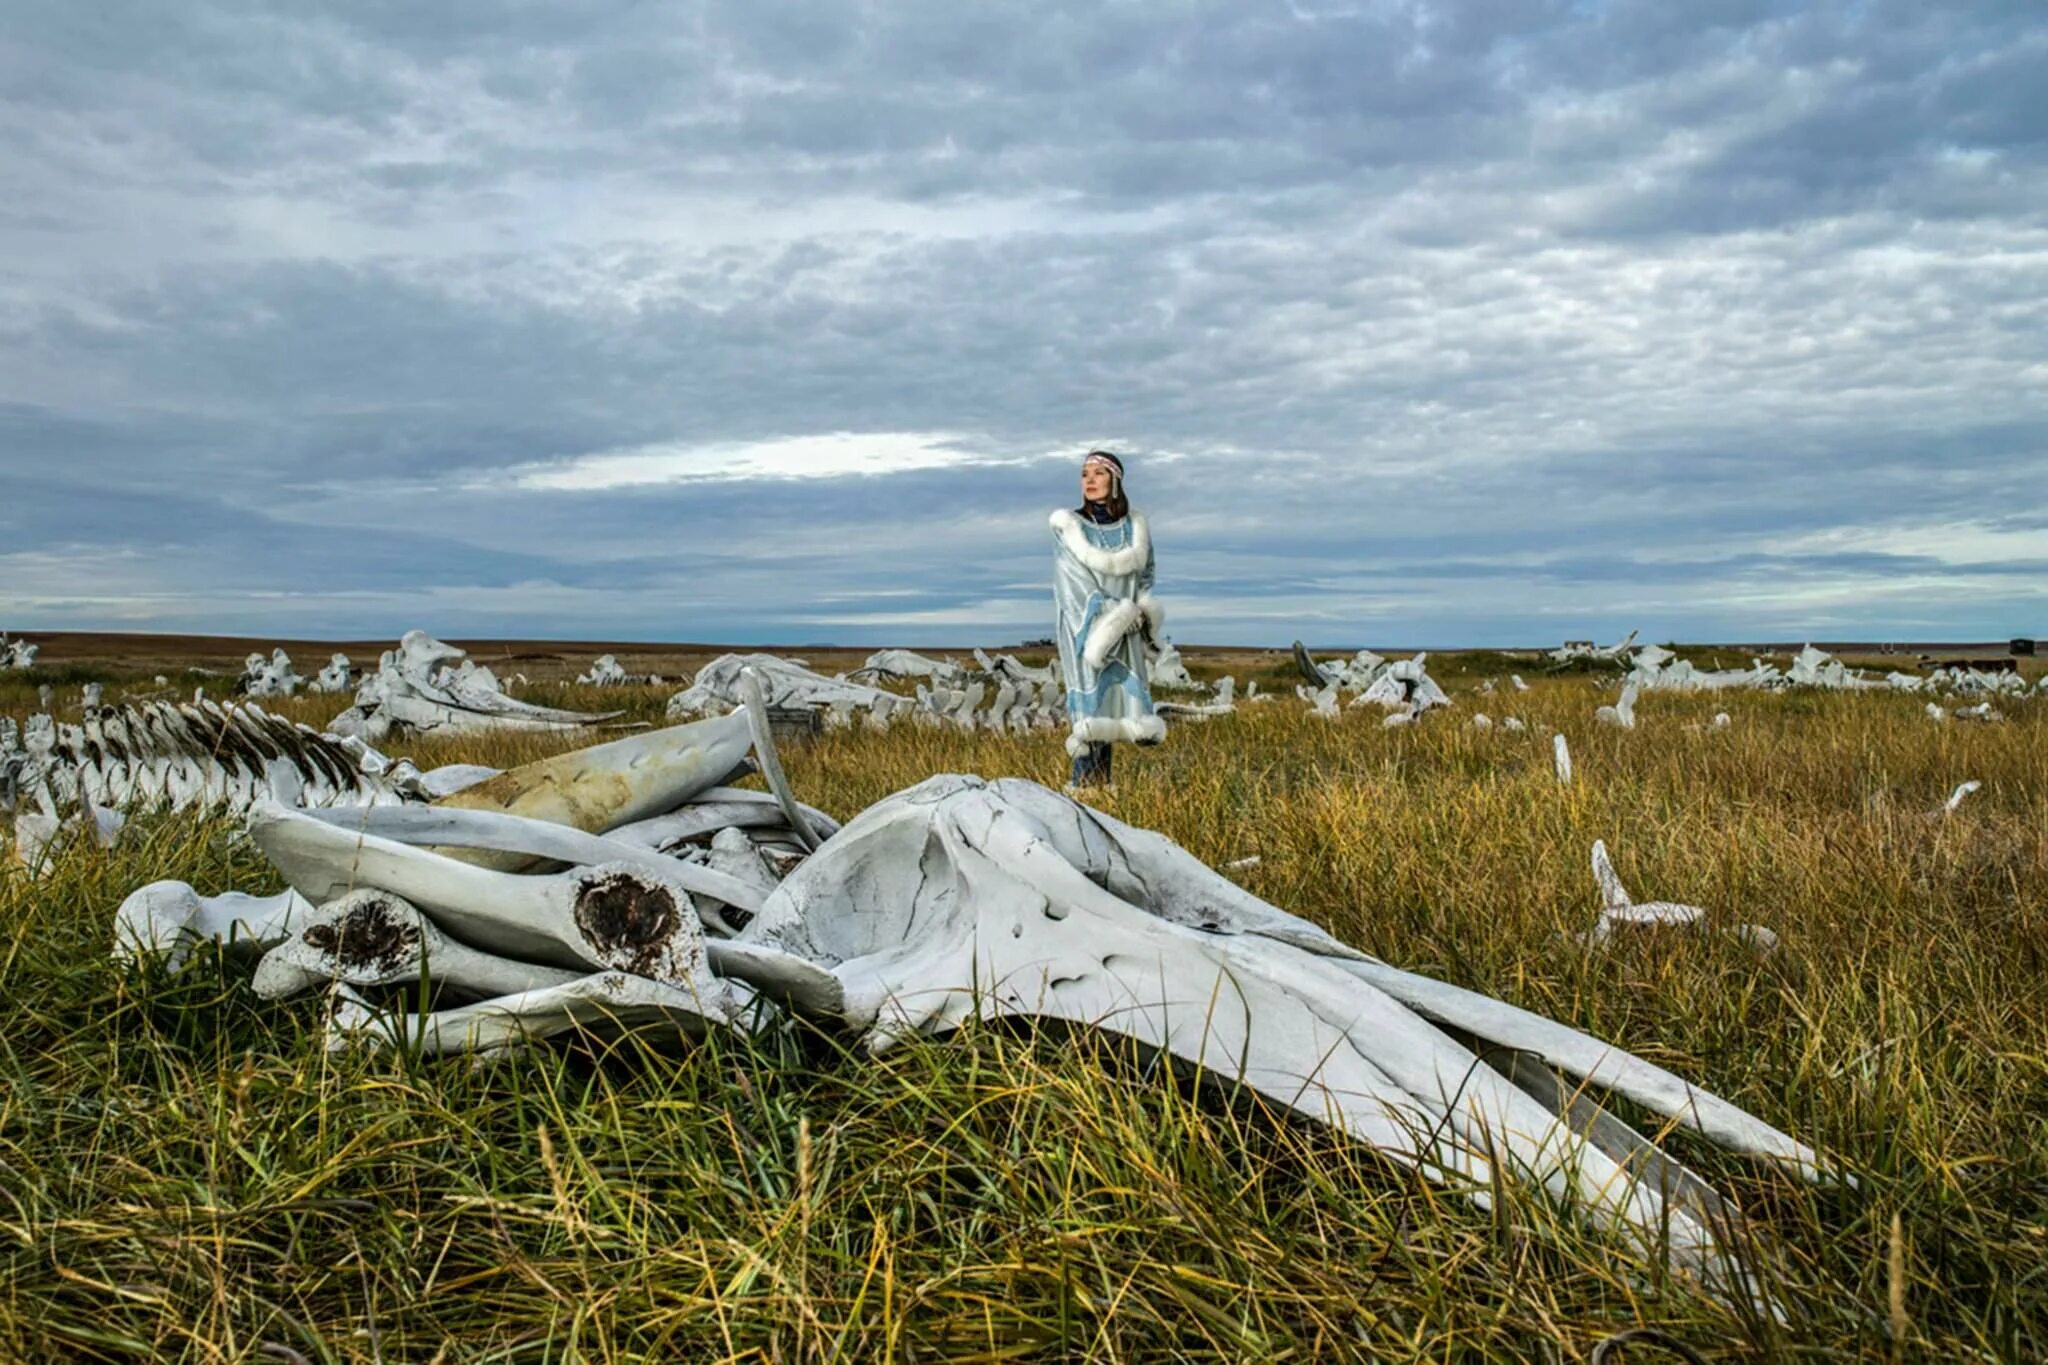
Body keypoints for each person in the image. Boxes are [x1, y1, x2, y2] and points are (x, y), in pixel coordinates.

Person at [1051, 450, 1165, 789]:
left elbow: (1146, 575)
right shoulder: (1069, 527)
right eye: (1084, 473)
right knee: (1091, 714)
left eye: (1098, 473)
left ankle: (1102, 793)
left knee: (1114, 711)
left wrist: (1139, 612)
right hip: (1086, 630)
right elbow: (1070, 582)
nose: (1089, 480)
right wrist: (1110, 614)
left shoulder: (1135, 528)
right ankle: (1083, 795)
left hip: (1126, 631)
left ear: (1114, 480)